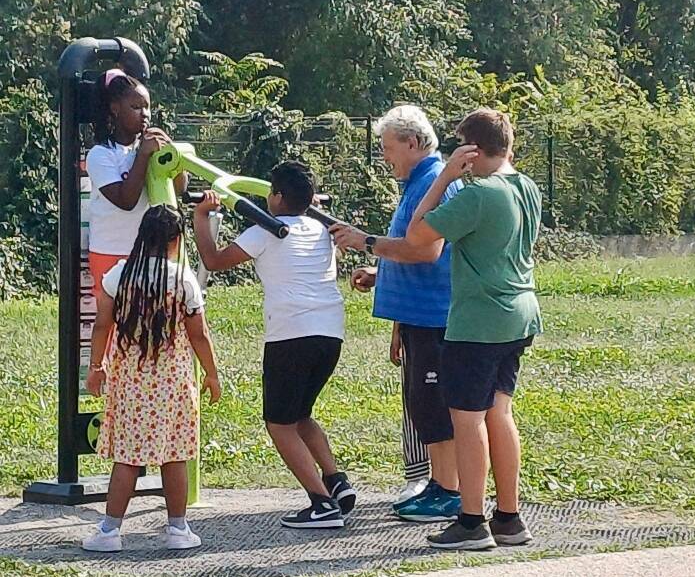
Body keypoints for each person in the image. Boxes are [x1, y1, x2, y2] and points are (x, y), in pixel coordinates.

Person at [343, 108, 542, 550]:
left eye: (459, 151)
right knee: (499, 413)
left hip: (477, 320)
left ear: (471, 151)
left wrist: (444, 177)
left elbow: (418, 235)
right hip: (518, 313)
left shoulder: (477, 194)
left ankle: (471, 520)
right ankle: (508, 517)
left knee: (467, 420)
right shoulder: (526, 187)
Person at [193, 161, 356, 529]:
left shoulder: (266, 231)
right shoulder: (320, 228)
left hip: (291, 334)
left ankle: (322, 504)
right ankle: (335, 482)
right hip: (330, 333)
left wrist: (202, 217)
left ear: (278, 197)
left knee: (279, 424)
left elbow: (214, 260)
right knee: (299, 416)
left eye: (271, 192)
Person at [330, 105, 463, 521]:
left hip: (434, 316)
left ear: (412, 142)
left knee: (435, 406)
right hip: (417, 317)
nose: (385, 157)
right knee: (424, 405)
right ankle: (440, 486)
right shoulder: (419, 183)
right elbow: (409, 247)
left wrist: (367, 243)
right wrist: (382, 269)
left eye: (388, 148)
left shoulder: (437, 184)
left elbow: (427, 249)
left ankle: (449, 490)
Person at [82, 205, 221, 552]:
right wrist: (212, 373)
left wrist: (95, 366)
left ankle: (110, 531)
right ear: (177, 241)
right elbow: (199, 334)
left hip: (129, 378)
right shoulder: (183, 279)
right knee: (174, 454)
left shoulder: (119, 276)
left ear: (141, 237)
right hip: (172, 379)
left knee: (127, 457)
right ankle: (177, 528)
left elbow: (102, 325)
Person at [86, 68, 187, 295]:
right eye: (136, 107)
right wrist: (142, 156)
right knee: (111, 320)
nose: (145, 114)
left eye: (147, 107)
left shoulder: (150, 147)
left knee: (140, 322)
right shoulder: (101, 155)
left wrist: (172, 156)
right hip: (109, 250)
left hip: (147, 251)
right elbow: (126, 200)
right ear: (115, 109)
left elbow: (180, 188)